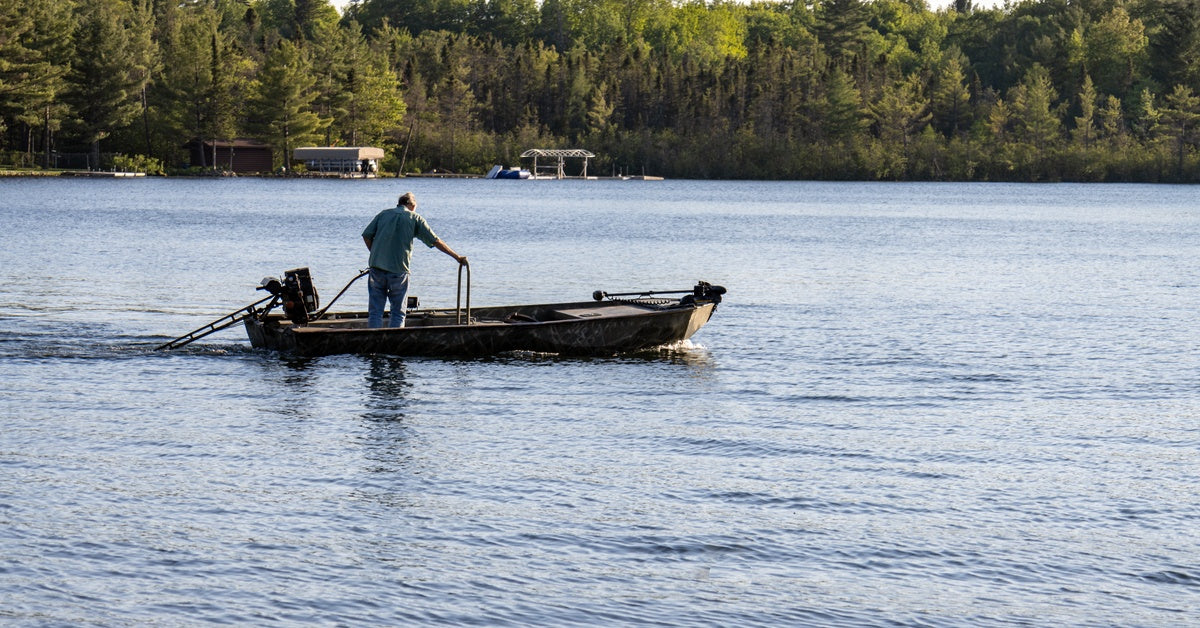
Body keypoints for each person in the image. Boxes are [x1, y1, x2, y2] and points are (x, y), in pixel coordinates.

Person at [362, 192, 467, 328]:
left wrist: (376, 253)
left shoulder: (384, 214)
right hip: (398, 270)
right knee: (398, 312)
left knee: (375, 312)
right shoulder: (414, 218)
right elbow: (436, 241)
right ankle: (394, 344)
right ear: (412, 205)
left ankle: (372, 344)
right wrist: (457, 257)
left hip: (377, 268)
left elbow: (366, 235)